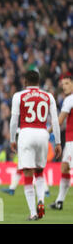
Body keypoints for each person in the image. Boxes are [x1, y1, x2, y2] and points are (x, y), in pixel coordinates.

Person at [9, 70, 62, 221]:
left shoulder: (18, 96)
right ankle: (41, 201)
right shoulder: (48, 96)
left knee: (27, 173)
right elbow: (55, 122)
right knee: (39, 172)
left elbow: (14, 121)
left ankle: (33, 212)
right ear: (39, 82)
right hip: (42, 134)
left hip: (26, 133)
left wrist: (12, 139)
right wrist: (57, 142)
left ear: (25, 81)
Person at [50, 74, 73, 210]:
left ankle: (59, 201)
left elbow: (59, 121)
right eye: (63, 84)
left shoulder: (69, 99)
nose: (64, 86)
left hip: (72, 142)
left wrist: (46, 131)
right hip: (70, 141)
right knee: (64, 168)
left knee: (65, 167)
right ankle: (59, 201)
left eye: (67, 83)